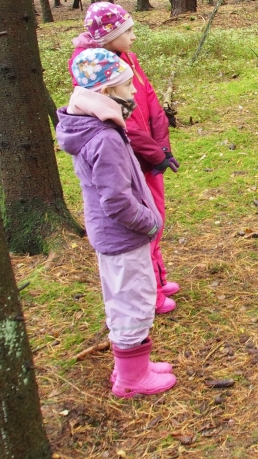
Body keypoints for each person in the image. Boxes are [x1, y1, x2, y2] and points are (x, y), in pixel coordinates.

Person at [56, 49, 176, 398]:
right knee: (133, 301)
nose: (135, 92)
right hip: (124, 236)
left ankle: (136, 364)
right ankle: (131, 378)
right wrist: (149, 222)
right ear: (107, 92)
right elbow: (117, 200)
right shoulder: (105, 138)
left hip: (118, 235)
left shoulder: (100, 127)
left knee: (128, 298)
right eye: (127, 86)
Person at [70, 2, 180, 315]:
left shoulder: (126, 58)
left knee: (156, 216)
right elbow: (125, 121)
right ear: (108, 37)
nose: (133, 36)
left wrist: (163, 145)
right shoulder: (96, 71)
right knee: (145, 222)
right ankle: (150, 294)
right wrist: (153, 152)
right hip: (131, 160)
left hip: (150, 154)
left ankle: (157, 277)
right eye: (127, 31)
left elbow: (149, 99)